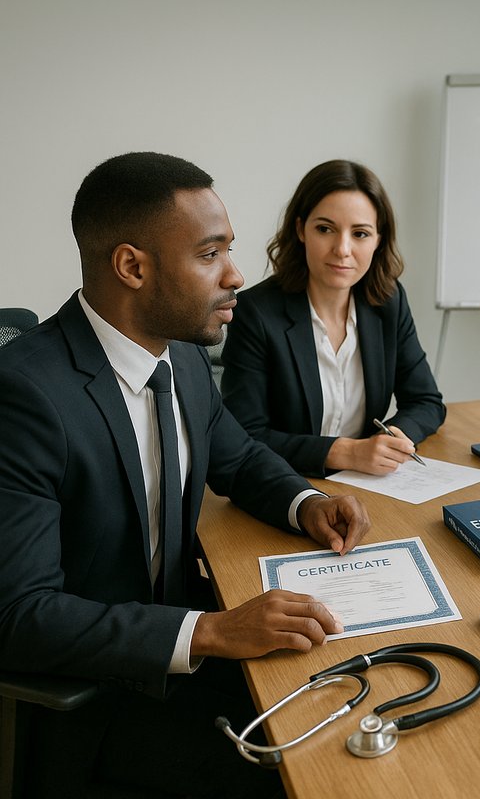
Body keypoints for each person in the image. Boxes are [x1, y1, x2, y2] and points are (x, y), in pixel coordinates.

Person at [0, 152, 371, 797]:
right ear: (132, 267)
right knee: (311, 778)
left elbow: (239, 458)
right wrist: (214, 630)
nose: (236, 275)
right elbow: (20, 615)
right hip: (98, 702)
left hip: (181, 656)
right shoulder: (25, 396)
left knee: (351, 699)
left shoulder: (185, 362)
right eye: (210, 255)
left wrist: (305, 500)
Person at [220, 159, 445, 477]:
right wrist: (346, 452)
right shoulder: (257, 313)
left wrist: (390, 438)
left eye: (360, 234)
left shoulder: (388, 302)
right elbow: (244, 435)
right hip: (287, 483)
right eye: (325, 229)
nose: (342, 249)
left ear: (378, 240)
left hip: (368, 482)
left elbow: (426, 401)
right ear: (301, 229)